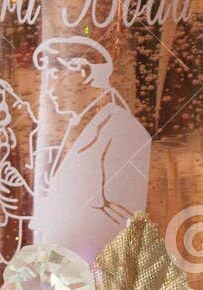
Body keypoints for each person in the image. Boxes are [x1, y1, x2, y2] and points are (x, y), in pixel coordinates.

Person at [31, 36, 151, 260]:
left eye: (56, 74)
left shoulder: (121, 129)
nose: (49, 87)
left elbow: (127, 216)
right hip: (57, 279)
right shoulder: (78, 126)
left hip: (103, 284)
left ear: (85, 73)